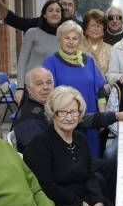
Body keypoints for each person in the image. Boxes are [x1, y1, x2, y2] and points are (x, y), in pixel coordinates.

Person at [24, 87, 114, 206]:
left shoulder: (80, 139)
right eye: (62, 112)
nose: (69, 117)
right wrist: (81, 205)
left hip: (84, 199)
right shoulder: (40, 144)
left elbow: (89, 175)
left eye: (73, 112)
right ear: (52, 113)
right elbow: (47, 187)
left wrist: (98, 201)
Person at [13, 67, 123, 153]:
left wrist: (117, 116)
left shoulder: (50, 105)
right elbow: (39, 153)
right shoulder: (27, 116)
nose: (45, 87)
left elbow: (83, 119)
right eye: (39, 83)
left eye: (49, 82)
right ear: (28, 89)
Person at [43, 20, 106, 158]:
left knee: (92, 161)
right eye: (67, 38)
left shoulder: (88, 60)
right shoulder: (50, 62)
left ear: (80, 41)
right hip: (65, 123)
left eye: (75, 38)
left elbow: (100, 90)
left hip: (90, 122)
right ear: (60, 40)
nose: (71, 42)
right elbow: (48, 96)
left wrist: (102, 118)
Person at [16, 0, 63, 96]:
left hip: (54, 88)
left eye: (58, 11)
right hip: (32, 87)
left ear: (61, 15)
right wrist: (20, 88)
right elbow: (22, 61)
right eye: (50, 10)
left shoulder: (64, 37)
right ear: (44, 15)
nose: (54, 13)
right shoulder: (32, 33)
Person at [79, 9, 112, 78]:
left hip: (103, 87)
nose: (95, 29)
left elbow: (112, 74)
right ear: (86, 28)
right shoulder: (76, 46)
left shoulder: (111, 49)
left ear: (104, 30)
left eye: (99, 26)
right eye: (92, 25)